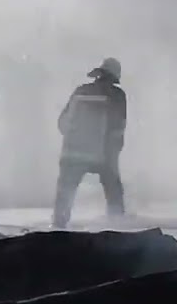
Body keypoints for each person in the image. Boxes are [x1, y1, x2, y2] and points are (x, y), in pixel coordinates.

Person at [52, 57, 127, 228]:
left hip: (72, 152)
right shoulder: (117, 95)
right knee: (113, 189)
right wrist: (113, 153)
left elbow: (62, 121)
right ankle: (119, 225)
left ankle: (58, 226)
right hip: (101, 153)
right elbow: (118, 126)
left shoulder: (80, 91)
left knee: (65, 192)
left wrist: (75, 139)